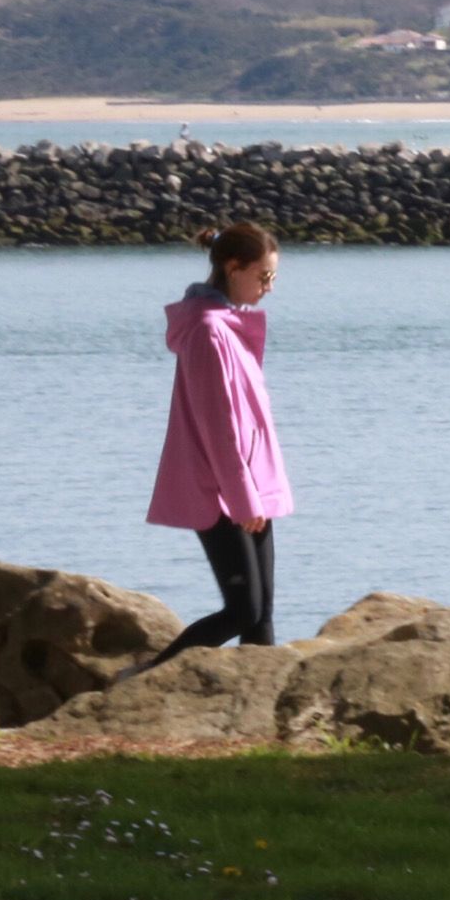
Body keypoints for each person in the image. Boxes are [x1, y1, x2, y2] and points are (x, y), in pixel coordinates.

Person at [147, 222, 294, 663]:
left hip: (252, 489)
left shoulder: (228, 327)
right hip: (222, 493)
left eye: (273, 278)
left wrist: (258, 493)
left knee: (261, 614)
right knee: (242, 610)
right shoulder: (209, 332)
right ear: (233, 268)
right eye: (263, 277)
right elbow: (218, 427)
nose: (269, 288)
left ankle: (261, 719)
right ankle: (142, 682)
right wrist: (244, 498)